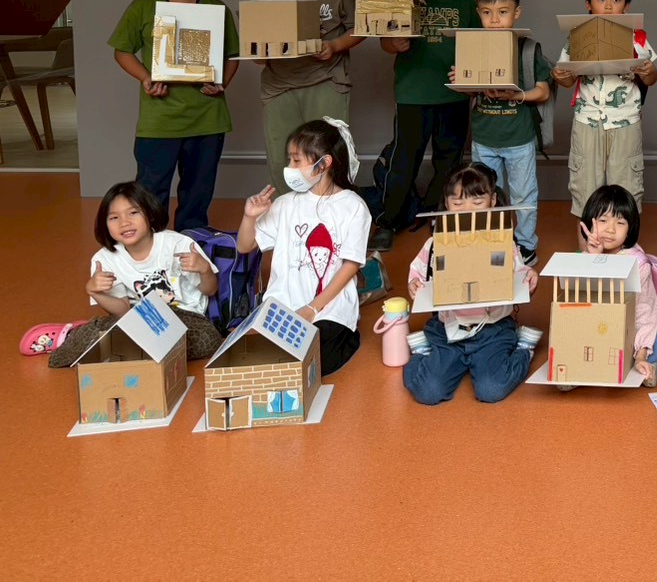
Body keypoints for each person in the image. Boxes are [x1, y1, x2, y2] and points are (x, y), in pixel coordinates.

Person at [108, 0, 239, 232]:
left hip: (207, 116)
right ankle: (150, 244)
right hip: (159, 118)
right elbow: (122, 51)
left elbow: (232, 56)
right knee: (150, 190)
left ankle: (190, 241)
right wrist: (146, 77)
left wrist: (222, 83)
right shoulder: (143, 7)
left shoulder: (216, 9)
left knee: (198, 190)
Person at [238, 118, 371, 376]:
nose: (290, 168)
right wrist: (249, 216)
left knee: (315, 361)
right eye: (290, 160)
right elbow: (245, 246)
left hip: (328, 308)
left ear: (324, 163)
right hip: (283, 304)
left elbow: (351, 265)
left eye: (296, 160)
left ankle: (348, 334)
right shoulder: (285, 203)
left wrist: (312, 309)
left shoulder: (353, 206)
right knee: (270, 359)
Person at [403, 163, 541, 405]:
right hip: (447, 329)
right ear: (447, 204)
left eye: (477, 202)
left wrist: (529, 276)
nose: (467, 210)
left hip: (492, 329)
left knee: (491, 389)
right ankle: (424, 352)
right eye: (458, 203)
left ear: (493, 201)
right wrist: (414, 283)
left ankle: (523, 349)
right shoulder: (436, 243)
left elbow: (519, 272)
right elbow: (418, 272)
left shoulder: (501, 243)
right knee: (428, 391)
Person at [375, 0, 478, 251]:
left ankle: (437, 213)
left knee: (449, 160)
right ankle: (388, 220)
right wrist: (394, 44)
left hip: (454, 94)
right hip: (412, 94)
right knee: (404, 160)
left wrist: (473, 80)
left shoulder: (465, 0)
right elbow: (385, 42)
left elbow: (478, 44)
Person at [45, 181, 223, 367]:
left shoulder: (178, 244)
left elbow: (210, 290)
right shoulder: (104, 259)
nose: (124, 223)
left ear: (150, 214)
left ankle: (134, 350)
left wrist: (204, 269)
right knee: (108, 339)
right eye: (114, 217)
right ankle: (70, 336)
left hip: (185, 318)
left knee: (208, 340)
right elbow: (123, 309)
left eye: (133, 213)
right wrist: (94, 292)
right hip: (139, 319)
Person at [253, 0, 362, 194]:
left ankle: (331, 212)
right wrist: (258, 53)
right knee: (282, 156)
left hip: (326, 80)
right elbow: (257, 34)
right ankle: (287, 214)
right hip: (279, 85)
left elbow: (360, 28)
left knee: (328, 153)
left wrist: (335, 46)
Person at [459, 0, 553, 266]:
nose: (495, 20)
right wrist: (464, 82)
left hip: (519, 138)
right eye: (487, 13)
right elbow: (465, 88)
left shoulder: (528, 48)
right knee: (484, 195)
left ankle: (525, 245)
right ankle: (492, 242)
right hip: (483, 138)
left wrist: (516, 95)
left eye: (502, 12)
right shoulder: (473, 45)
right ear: (478, 13)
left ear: (517, 12)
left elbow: (543, 91)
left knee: (523, 196)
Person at [551, 0, 657, 218]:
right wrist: (561, 76)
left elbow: (651, 79)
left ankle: (624, 241)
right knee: (585, 188)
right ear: (588, 4)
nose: (608, 7)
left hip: (626, 121)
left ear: (626, 6)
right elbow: (568, 80)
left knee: (626, 186)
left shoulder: (637, 38)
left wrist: (649, 71)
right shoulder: (577, 37)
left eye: (616, 0)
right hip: (586, 120)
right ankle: (588, 241)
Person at [578, 184, 657, 387]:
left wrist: (641, 353)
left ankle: (643, 362)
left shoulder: (638, 264)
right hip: (601, 329)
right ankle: (581, 365)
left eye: (620, 222)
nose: (610, 229)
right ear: (590, 222)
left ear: (630, 229)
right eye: (603, 220)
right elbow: (581, 307)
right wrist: (593, 259)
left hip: (635, 332)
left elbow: (645, 312)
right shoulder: (584, 257)